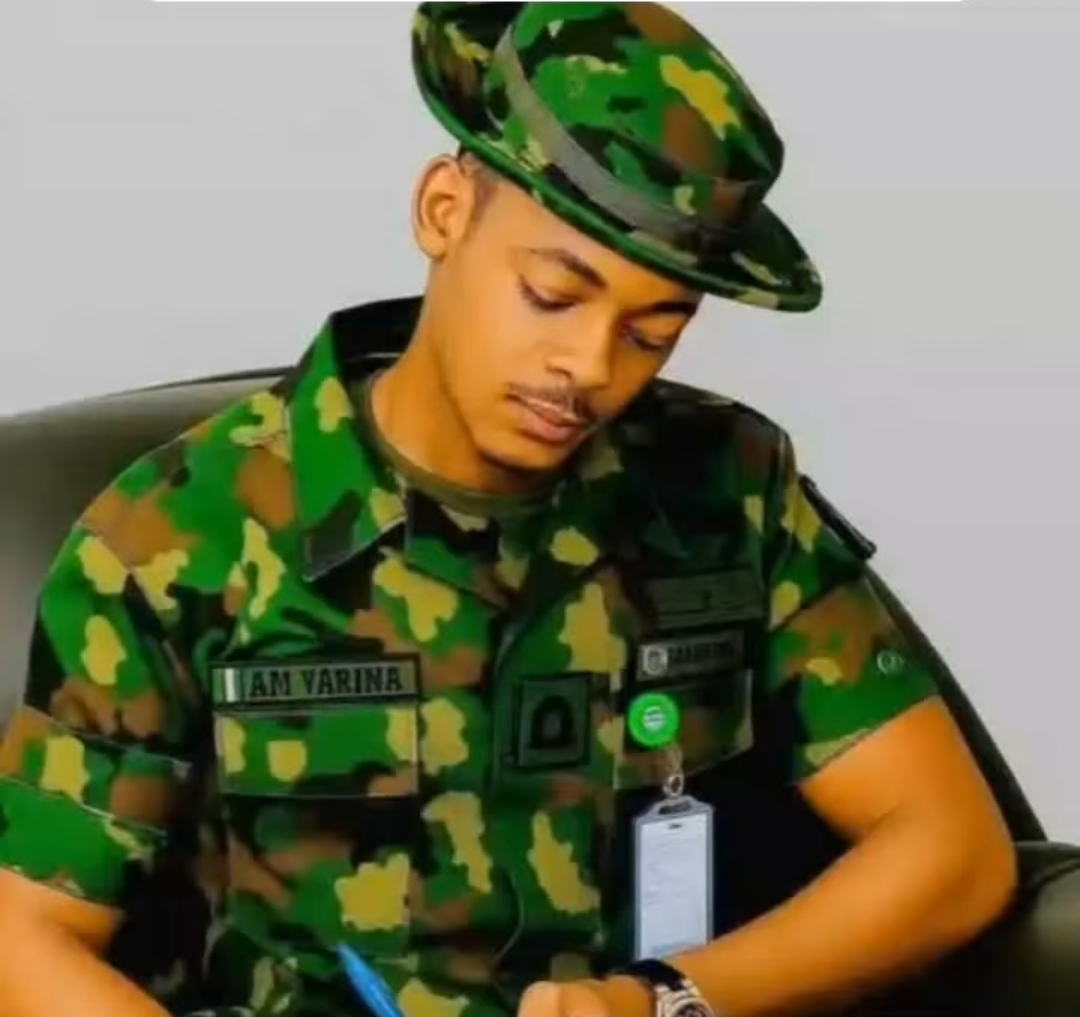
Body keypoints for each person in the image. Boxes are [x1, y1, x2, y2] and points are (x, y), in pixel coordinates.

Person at [0, 3, 1017, 1017]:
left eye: (652, 331)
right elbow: (25, 934)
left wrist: (663, 1001)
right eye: (553, 294)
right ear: (444, 210)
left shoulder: (724, 491)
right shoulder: (178, 535)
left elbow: (953, 848)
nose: (590, 366)